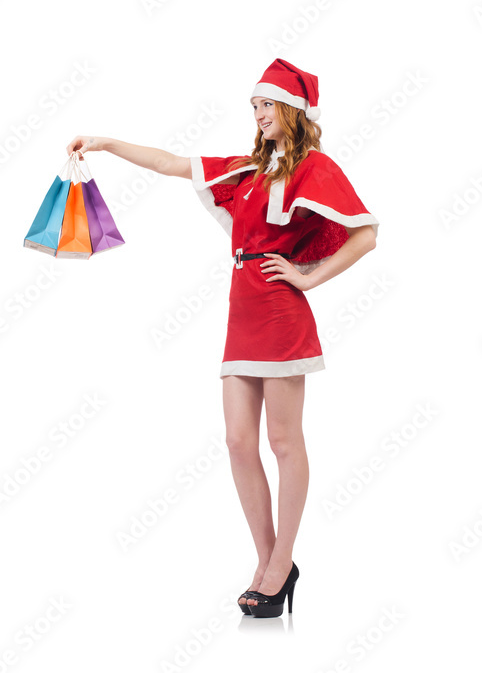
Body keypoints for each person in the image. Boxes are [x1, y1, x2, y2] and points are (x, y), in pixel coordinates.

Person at [67, 58, 378, 618]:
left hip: (283, 314)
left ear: (293, 110)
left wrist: (307, 277)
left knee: (284, 443)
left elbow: (367, 233)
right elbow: (170, 161)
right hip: (243, 313)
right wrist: (108, 143)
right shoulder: (249, 171)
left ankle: (280, 563)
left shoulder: (315, 166)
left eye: (266, 105)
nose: (258, 114)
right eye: (254, 106)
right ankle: (269, 562)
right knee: (238, 442)